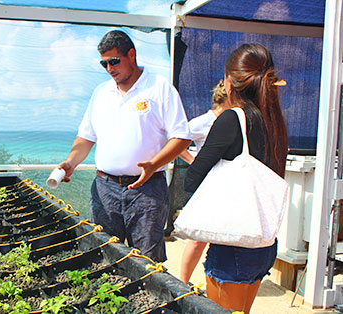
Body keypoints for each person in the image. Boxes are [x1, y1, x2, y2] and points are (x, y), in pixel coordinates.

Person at [56, 30, 191, 262]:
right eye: (104, 63)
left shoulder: (160, 88)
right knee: (103, 257)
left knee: (147, 262)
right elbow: (86, 137)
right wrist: (71, 162)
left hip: (147, 190)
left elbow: (181, 137)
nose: (110, 68)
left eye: (114, 61)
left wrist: (154, 164)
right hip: (105, 189)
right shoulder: (101, 92)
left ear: (132, 54)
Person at [184, 43, 288, 314]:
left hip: (233, 244)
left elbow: (192, 180)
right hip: (264, 242)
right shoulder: (274, 121)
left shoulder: (233, 119)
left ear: (230, 82)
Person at [179, 80, 230, 284]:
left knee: (222, 235)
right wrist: (193, 161)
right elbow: (177, 141)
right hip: (204, 185)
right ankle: (182, 282)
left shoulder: (234, 121)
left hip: (225, 184)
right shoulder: (203, 122)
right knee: (199, 238)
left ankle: (217, 280)